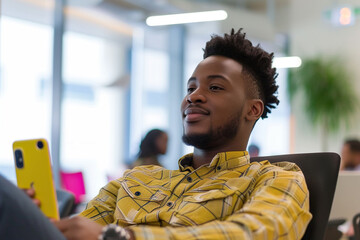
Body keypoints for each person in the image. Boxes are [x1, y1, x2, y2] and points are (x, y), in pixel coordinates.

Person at [2, 28, 312, 240]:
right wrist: (38, 220)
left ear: (253, 110)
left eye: (214, 87)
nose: (194, 96)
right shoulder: (137, 179)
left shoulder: (276, 178)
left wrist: (124, 236)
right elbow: (76, 232)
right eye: (190, 88)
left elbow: (258, 232)